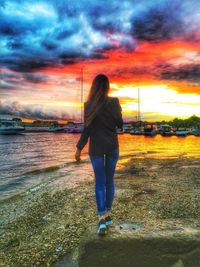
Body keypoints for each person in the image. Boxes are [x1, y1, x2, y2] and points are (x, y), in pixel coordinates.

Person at [75, 74, 123, 235]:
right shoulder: (114, 102)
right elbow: (120, 123)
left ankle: (101, 218)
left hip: (95, 148)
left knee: (99, 183)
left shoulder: (88, 105)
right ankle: (108, 215)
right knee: (109, 182)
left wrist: (79, 148)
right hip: (111, 146)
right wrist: (118, 111)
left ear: (94, 87)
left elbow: (86, 130)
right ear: (107, 86)